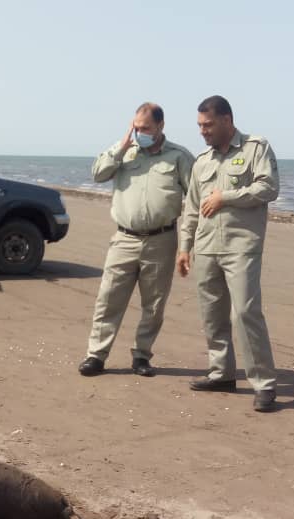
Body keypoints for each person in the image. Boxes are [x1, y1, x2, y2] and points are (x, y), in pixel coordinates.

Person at [176, 95, 279, 412]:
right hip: (207, 247)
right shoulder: (202, 162)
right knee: (213, 313)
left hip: (241, 245)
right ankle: (221, 373)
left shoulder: (255, 148)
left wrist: (227, 197)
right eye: (199, 126)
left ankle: (263, 384)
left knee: (245, 312)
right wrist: (184, 247)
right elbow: (191, 208)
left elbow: (269, 187)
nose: (203, 131)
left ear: (226, 120)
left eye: (208, 125)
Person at [79, 103, 194, 377]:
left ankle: (141, 356)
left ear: (160, 127)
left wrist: (187, 244)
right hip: (124, 239)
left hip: (161, 240)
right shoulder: (123, 151)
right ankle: (96, 355)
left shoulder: (179, 157)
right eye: (136, 127)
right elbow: (97, 174)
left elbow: (195, 198)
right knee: (108, 298)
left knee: (153, 304)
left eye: (145, 128)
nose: (140, 132)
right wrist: (121, 147)